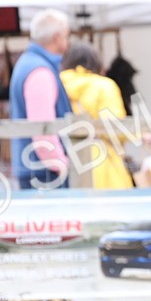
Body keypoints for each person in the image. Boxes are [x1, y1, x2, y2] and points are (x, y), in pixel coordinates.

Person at [60, 40, 135, 189]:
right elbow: (117, 130)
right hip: (103, 161)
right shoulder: (104, 86)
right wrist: (137, 133)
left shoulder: (59, 84)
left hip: (69, 160)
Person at [10, 9, 72, 190]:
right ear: (57, 38)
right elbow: (42, 128)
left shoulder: (28, 63)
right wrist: (60, 163)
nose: (67, 42)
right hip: (44, 173)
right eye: (66, 36)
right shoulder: (40, 72)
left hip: (35, 167)